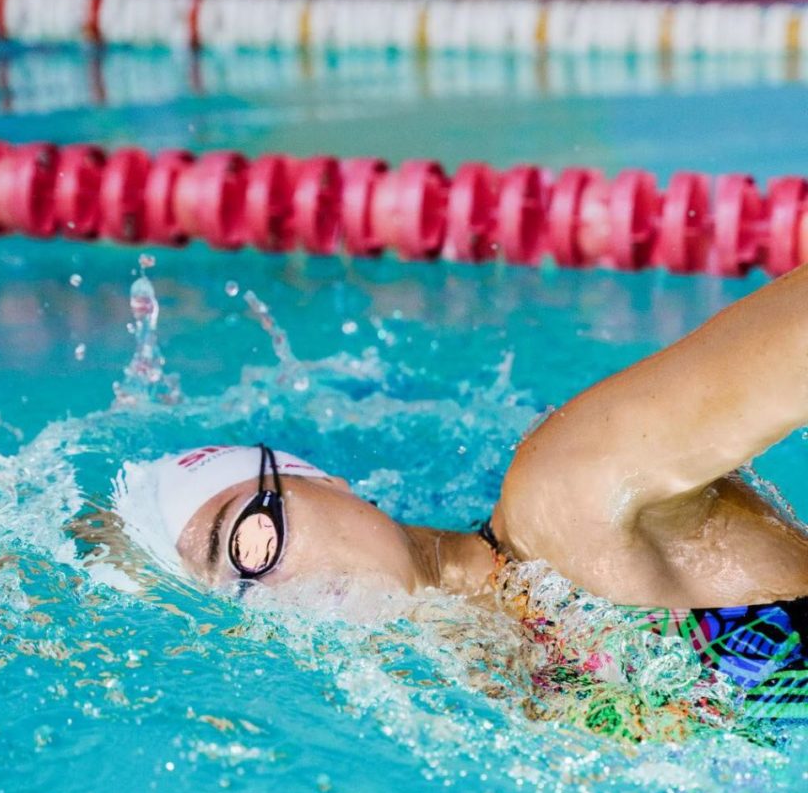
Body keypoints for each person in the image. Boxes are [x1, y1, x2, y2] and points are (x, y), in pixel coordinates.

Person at [114, 263, 808, 705]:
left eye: (250, 540)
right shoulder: (513, 716)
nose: (269, 596)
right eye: (233, 604)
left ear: (324, 480)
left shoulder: (569, 496)